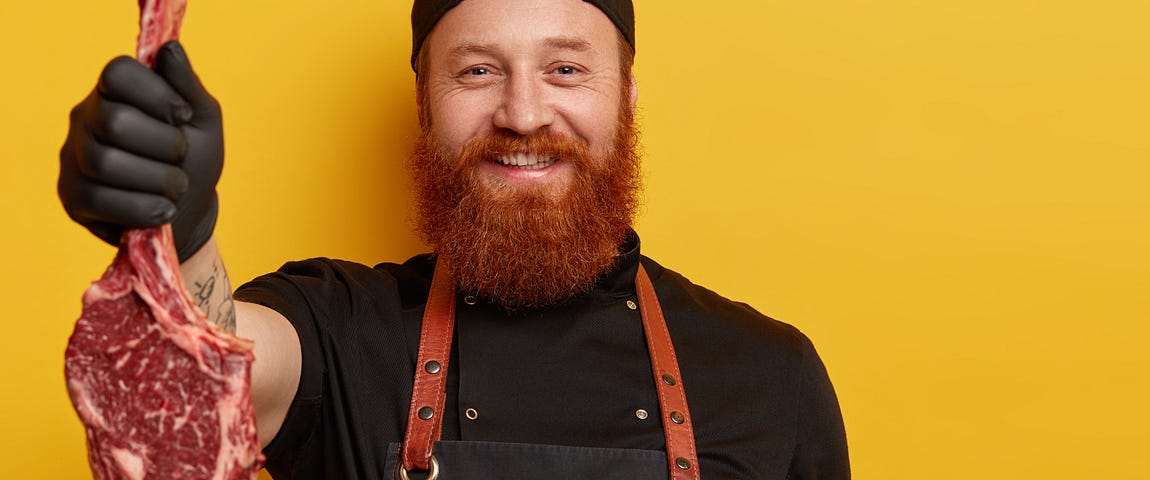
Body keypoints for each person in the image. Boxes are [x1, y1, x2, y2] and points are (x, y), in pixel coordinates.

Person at [56, 0, 850, 478]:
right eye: (477, 72)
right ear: (426, 102)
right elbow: (203, 383)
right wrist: (178, 236)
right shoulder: (341, 331)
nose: (525, 114)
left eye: (567, 70)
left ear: (628, 97)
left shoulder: (768, 376)